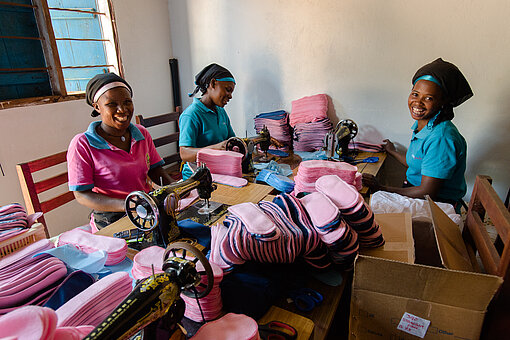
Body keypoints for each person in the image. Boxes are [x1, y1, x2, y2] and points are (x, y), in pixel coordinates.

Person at [363, 58, 473, 211]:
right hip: (417, 195)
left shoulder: (441, 138)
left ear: (443, 102)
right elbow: (421, 164)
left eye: (428, 98)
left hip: (436, 206)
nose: (418, 103)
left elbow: (427, 192)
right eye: (415, 94)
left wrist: (381, 188)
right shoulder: (426, 126)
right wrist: (393, 152)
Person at [67, 73, 174, 229]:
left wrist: (176, 188)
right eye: (112, 104)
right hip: (111, 217)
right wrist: (129, 205)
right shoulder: (83, 144)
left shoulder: (141, 134)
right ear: (97, 106)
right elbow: (82, 194)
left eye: (127, 102)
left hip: (145, 209)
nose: (122, 110)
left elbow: (155, 170)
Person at [179, 63, 236, 180]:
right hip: (197, 177)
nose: (230, 96)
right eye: (228, 90)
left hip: (219, 170)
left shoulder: (220, 111)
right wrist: (215, 148)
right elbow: (184, 153)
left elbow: (232, 140)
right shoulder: (191, 115)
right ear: (213, 83)